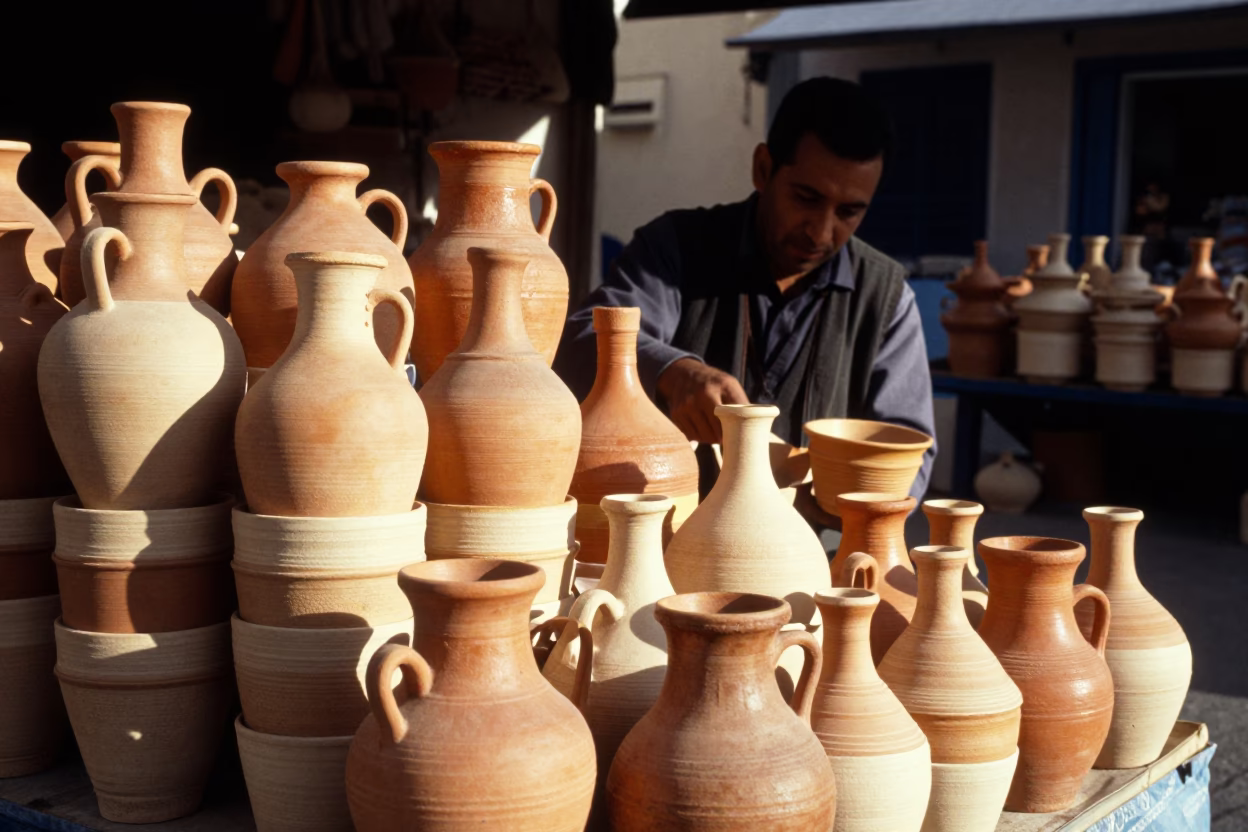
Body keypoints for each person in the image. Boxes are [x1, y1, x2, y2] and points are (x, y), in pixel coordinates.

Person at [553, 76, 936, 506]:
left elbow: (912, 458)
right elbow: (582, 338)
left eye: (848, 212)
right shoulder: (676, 248)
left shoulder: (886, 301)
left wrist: (844, 485)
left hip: (819, 557)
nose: (822, 231)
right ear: (762, 169)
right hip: (667, 538)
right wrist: (673, 372)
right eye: (806, 198)